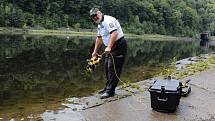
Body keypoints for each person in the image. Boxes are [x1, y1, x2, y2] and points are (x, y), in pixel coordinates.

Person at [90, 8, 127, 99]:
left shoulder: (107, 20)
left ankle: (110, 91)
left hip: (119, 46)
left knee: (112, 68)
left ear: (100, 13)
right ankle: (107, 88)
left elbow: (114, 33)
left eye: (96, 15)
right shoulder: (100, 24)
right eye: (92, 16)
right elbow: (99, 38)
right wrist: (95, 51)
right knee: (107, 67)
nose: (94, 17)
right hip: (111, 47)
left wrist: (109, 46)